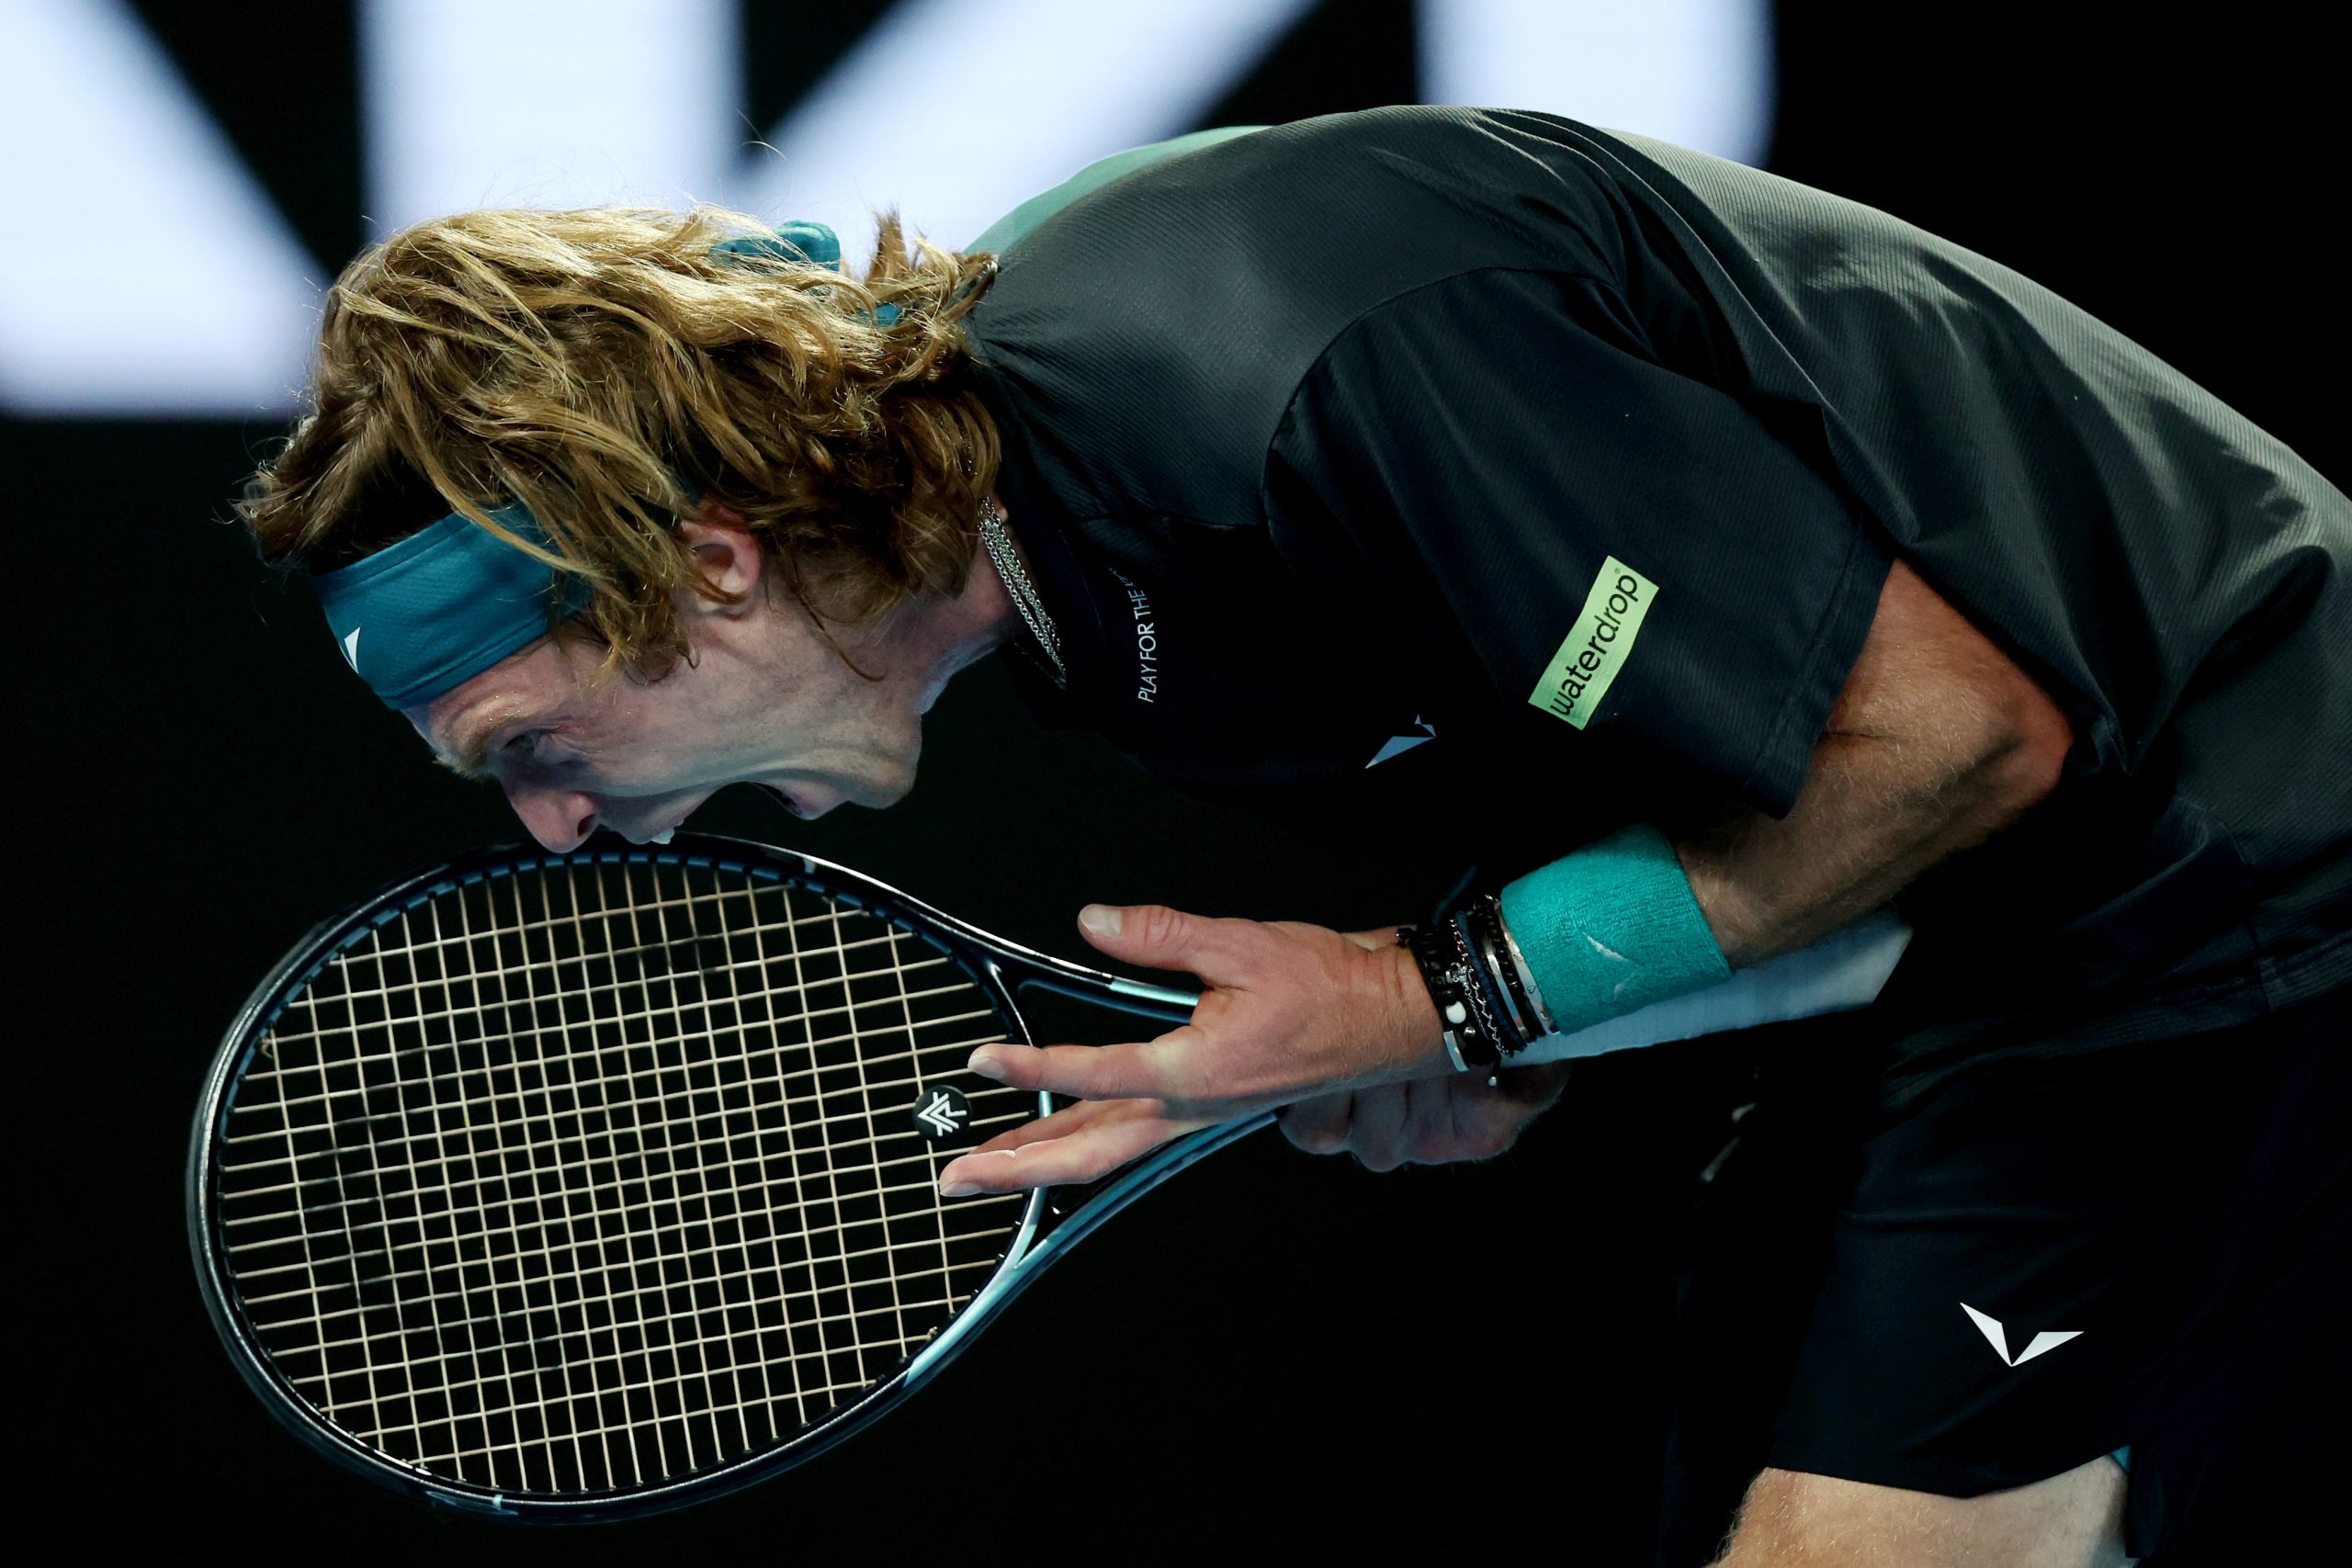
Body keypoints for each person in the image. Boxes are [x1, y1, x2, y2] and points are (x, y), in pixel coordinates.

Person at [234, 107, 2347, 1566]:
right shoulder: (1078, 571)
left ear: (701, 563)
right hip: (2028, 932)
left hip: (2220, 849)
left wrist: (1438, 984)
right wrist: (1485, 1028)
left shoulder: (1273, 375)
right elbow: (1764, 810)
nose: (553, 829)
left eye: (522, 739)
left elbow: (1952, 739)